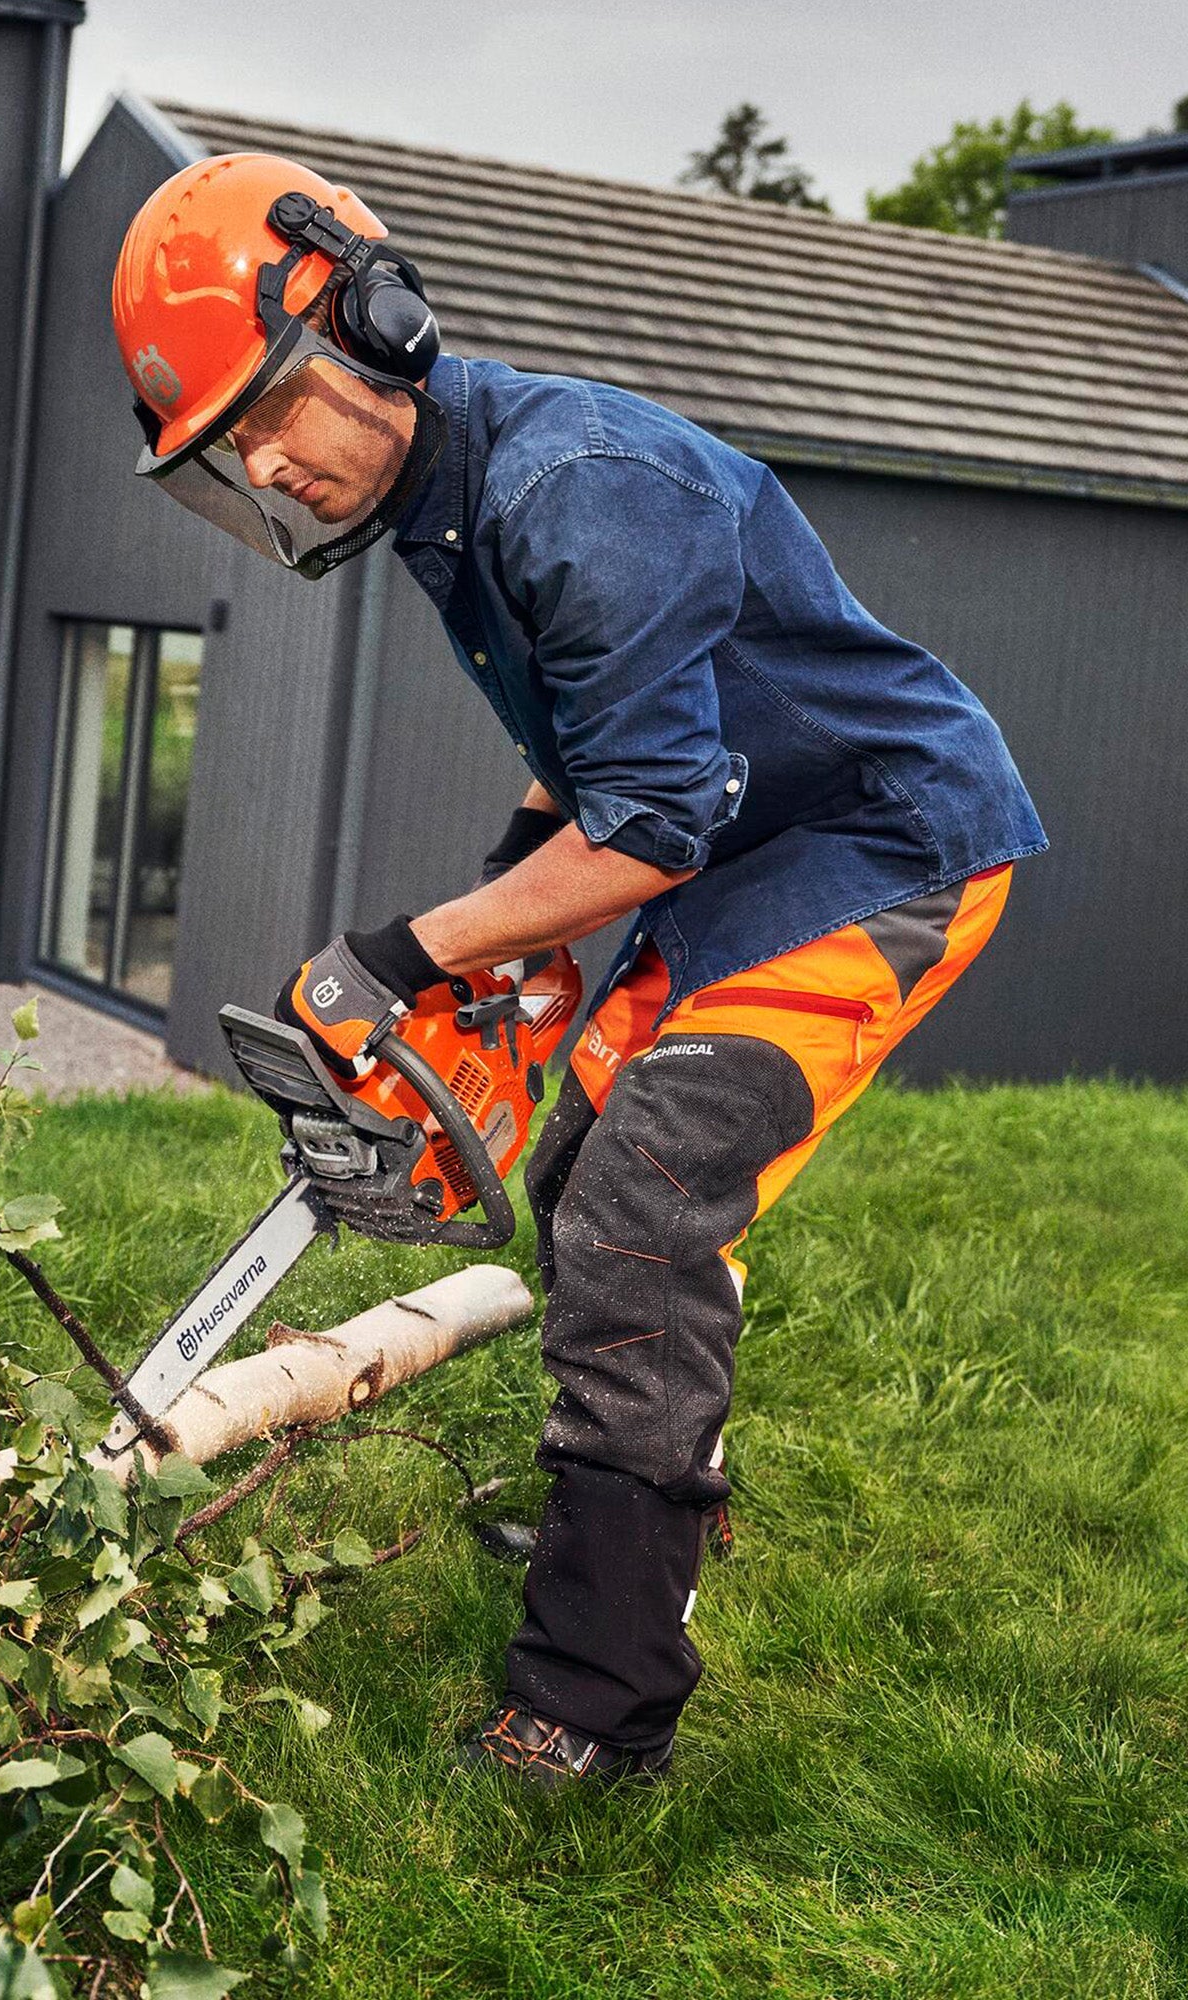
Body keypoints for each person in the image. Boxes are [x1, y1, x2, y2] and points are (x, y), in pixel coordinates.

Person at [111, 151, 1045, 1787]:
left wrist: (401, 957)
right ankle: (648, 1513)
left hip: (883, 850)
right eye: (229, 451)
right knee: (579, 1173)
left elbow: (655, 825)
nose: (265, 465)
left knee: (643, 1203)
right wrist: (508, 914)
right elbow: (601, 745)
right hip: (744, 841)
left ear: (375, 326)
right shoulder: (451, 504)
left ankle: (599, 1701)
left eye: (266, 415)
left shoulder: (576, 492)